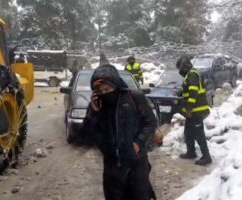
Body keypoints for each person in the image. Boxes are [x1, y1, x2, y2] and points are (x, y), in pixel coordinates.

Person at [80, 63, 157, 200]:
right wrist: (93, 113)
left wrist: (138, 143)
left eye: (107, 88)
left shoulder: (135, 97)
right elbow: (86, 136)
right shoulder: (97, 105)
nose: (105, 93)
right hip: (112, 166)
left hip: (137, 162)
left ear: (116, 85)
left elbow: (150, 122)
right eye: (100, 91)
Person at [176, 55, 212, 166]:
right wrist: (179, 93)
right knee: (188, 132)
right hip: (192, 111)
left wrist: (189, 108)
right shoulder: (189, 75)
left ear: (184, 66)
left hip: (196, 110)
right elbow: (188, 90)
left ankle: (207, 157)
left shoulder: (192, 74)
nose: (179, 71)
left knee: (199, 134)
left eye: (180, 68)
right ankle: (191, 152)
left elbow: (193, 92)